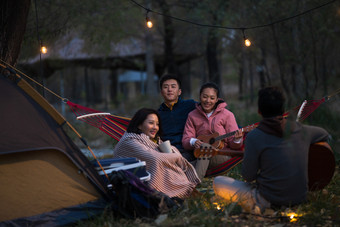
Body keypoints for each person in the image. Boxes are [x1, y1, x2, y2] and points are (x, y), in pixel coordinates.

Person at [213, 86, 330, 213]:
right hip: (299, 198)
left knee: (218, 181)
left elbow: (248, 176)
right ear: (283, 109)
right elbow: (324, 134)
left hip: (268, 200)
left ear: (259, 111)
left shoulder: (254, 136)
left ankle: (258, 207)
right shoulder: (301, 130)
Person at [113, 108, 201, 199]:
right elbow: (156, 158)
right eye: (151, 123)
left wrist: (170, 151)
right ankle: (177, 192)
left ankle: (183, 192)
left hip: (141, 179)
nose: (155, 127)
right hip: (132, 185)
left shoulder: (151, 140)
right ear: (139, 125)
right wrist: (177, 156)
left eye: (157, 124)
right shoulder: (129, 141)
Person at [182, 82, 243, 180]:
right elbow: (186, 139)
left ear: (217, 99)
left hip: (222, 154)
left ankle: (194, 182)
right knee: (182, 165)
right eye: (205, 97)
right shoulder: (192, 115)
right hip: (199, 154)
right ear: (200, 97)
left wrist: (237, 140)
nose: (208, 101)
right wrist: (194, 142)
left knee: (204, 149)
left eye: (212, 98)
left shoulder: (227, 115)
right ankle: (183, 176)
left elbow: (234, 145)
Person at [158, 74, 197, 161]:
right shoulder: (157, 115)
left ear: (179, 91)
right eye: (166, 87)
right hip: (168, 152)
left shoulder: (190, 105)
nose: (169, 90)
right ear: (161, 92)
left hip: (189, 150)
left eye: (173, 86)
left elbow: (208, 107)